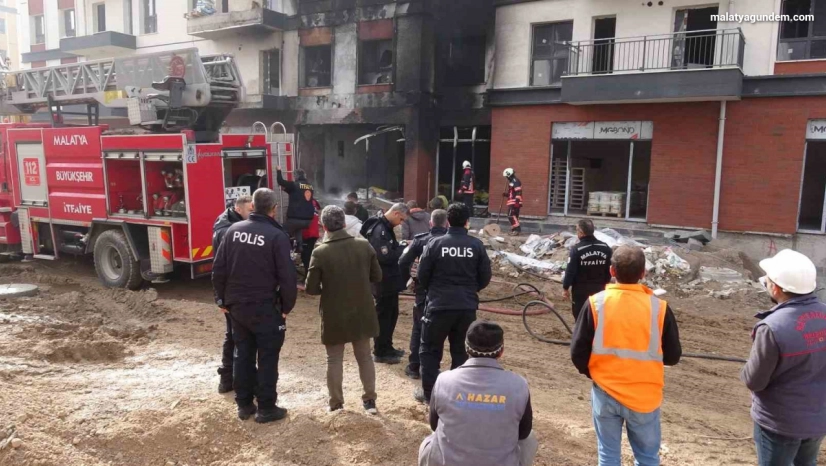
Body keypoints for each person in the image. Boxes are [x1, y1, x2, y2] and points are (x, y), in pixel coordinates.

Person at [570, 245, 682, 466]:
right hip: (644, 395)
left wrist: (594, 373)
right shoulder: (659, 308)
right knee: (647, 457)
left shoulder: (596, 303)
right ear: (643, 273)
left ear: (612, 271)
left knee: (608, 456)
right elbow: (672, 356)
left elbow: (577, 352)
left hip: (605, 392)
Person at [212, 188, 297, 424]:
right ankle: (266, 407)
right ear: (274, 209)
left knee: (243, 355)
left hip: (237, 307)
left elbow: (219, 268)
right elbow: (288, 277)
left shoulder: (233, 231)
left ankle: (244, 404)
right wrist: (286, 307)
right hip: (266, 307)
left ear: (253, 207)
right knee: (268, 357)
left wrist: (221, 299)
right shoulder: (276, 236)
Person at [740, 249, 826, 466]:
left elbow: (754, 381)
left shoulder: (772, 327)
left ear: (775, 288)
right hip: (817, 417)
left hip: (780, 422)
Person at [419, 321, 538, 466]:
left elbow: (433, 424)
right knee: (530, 439)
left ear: (466, 348)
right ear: (501, 351)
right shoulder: (519, 384)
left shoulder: (444, 380)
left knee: (432, 438)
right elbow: (523, 433)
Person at [305, 206, 383, 414]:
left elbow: (311, 288)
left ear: (324, 226)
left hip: (334, 313)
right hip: (362, 310)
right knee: (365, 357)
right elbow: (377, 276)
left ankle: (336, 403)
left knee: (334, 359)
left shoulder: (320, 251)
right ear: (344, 223)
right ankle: (370, 401)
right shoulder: (364, 245)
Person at [415, 203, 492, 403]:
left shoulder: (435, 244)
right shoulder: (476, 245)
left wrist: (435, 289)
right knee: (461, 352)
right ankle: (458, 394)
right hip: (466, 308)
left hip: (438, 306)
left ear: (448, 221)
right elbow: (485, 277)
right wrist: (470, 290)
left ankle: (430, 395)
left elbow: (422, 276)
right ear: (468, 222)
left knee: (430, 351)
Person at [398, 209, 448, 380]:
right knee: (439, 329)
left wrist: (410, 279)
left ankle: (414, 366)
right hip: (443, 292)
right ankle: (433, 367)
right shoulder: (451, 242)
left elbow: (403, 261)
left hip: (422, 290)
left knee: (419, 327)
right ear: (446, 223)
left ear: (431, 223)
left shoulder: (420, 241)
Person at [211, 195, 253, 394]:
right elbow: (221, 268)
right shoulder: (227, 232)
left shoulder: (229, 224)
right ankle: (229, 379)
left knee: (234, 336)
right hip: (232, 292)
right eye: (249, 211)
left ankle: (229, 379)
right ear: (238, 210)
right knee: (235, 336)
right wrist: (220, 297)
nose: (252, 215)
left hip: (232, 291)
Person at [361, 202, 410, 364]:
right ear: (396, 213)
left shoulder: (385, 227)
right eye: (401, 219)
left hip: (389, 280)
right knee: (383, 316)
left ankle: (387, 347)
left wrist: (399, 247)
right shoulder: (379, 230)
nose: (401, 223)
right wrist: (403, 249)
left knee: (391, 314)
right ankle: (380, 351)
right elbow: (384, 256)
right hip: (382, 280)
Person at [562, 219, 613, 320]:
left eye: (577, 230)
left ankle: (582, 335)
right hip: (600, 290)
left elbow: (570, 271)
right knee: (598, 317)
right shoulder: (605, 248)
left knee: (581, 318)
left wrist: (565, 288)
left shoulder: (577, 250)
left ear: (581, 232)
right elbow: (610, 269)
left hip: (581, 292)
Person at [276, 165, 315, 254]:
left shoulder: (294, 184)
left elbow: (280, 181)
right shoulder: (310, 186)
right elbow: (299, 195)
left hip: (295, 218)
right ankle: (299, 246)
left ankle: (283, 249)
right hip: (308, 220)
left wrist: (278, 171)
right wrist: (286, 190)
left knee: (282, 231)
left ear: (295, 176)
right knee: (298, 228)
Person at [301, 198, 322, 272]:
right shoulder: (314, 201)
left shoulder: (302, 202)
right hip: (314, 232)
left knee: (306, 255)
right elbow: (318, 211)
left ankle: (308, 274)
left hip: (307, 233)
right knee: (309, 252)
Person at [502, 168, 523, 236]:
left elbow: (518, 192)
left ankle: (517, 229)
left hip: (515, 202)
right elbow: (512, 193)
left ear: (509, 175)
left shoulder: (515, 181)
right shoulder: (511, 182)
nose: (506, 178)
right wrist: (506, 194)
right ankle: (514, 230)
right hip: (512, 201)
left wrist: (517, 201)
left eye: (507, 177)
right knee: (514, 216)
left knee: (510, 215)